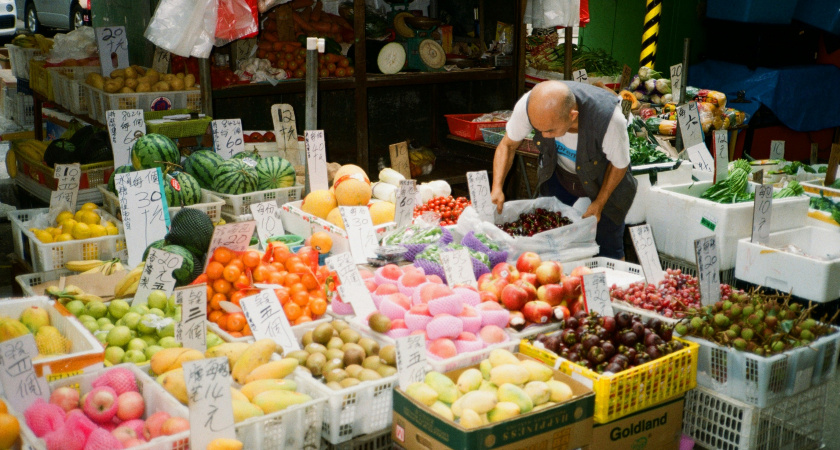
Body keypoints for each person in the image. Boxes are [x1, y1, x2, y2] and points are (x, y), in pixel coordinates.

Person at [490, 80, 637, 259]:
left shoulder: (609, 119)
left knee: (608, 244)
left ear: (572, 116)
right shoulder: (530, 105)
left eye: (550, 130)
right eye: (539, 130)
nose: (544, 135)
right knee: (546, 231)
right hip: (559, 171)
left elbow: (619, 165)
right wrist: (497, 186)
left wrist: (599, 203)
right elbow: (507, 145)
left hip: (604, 175)